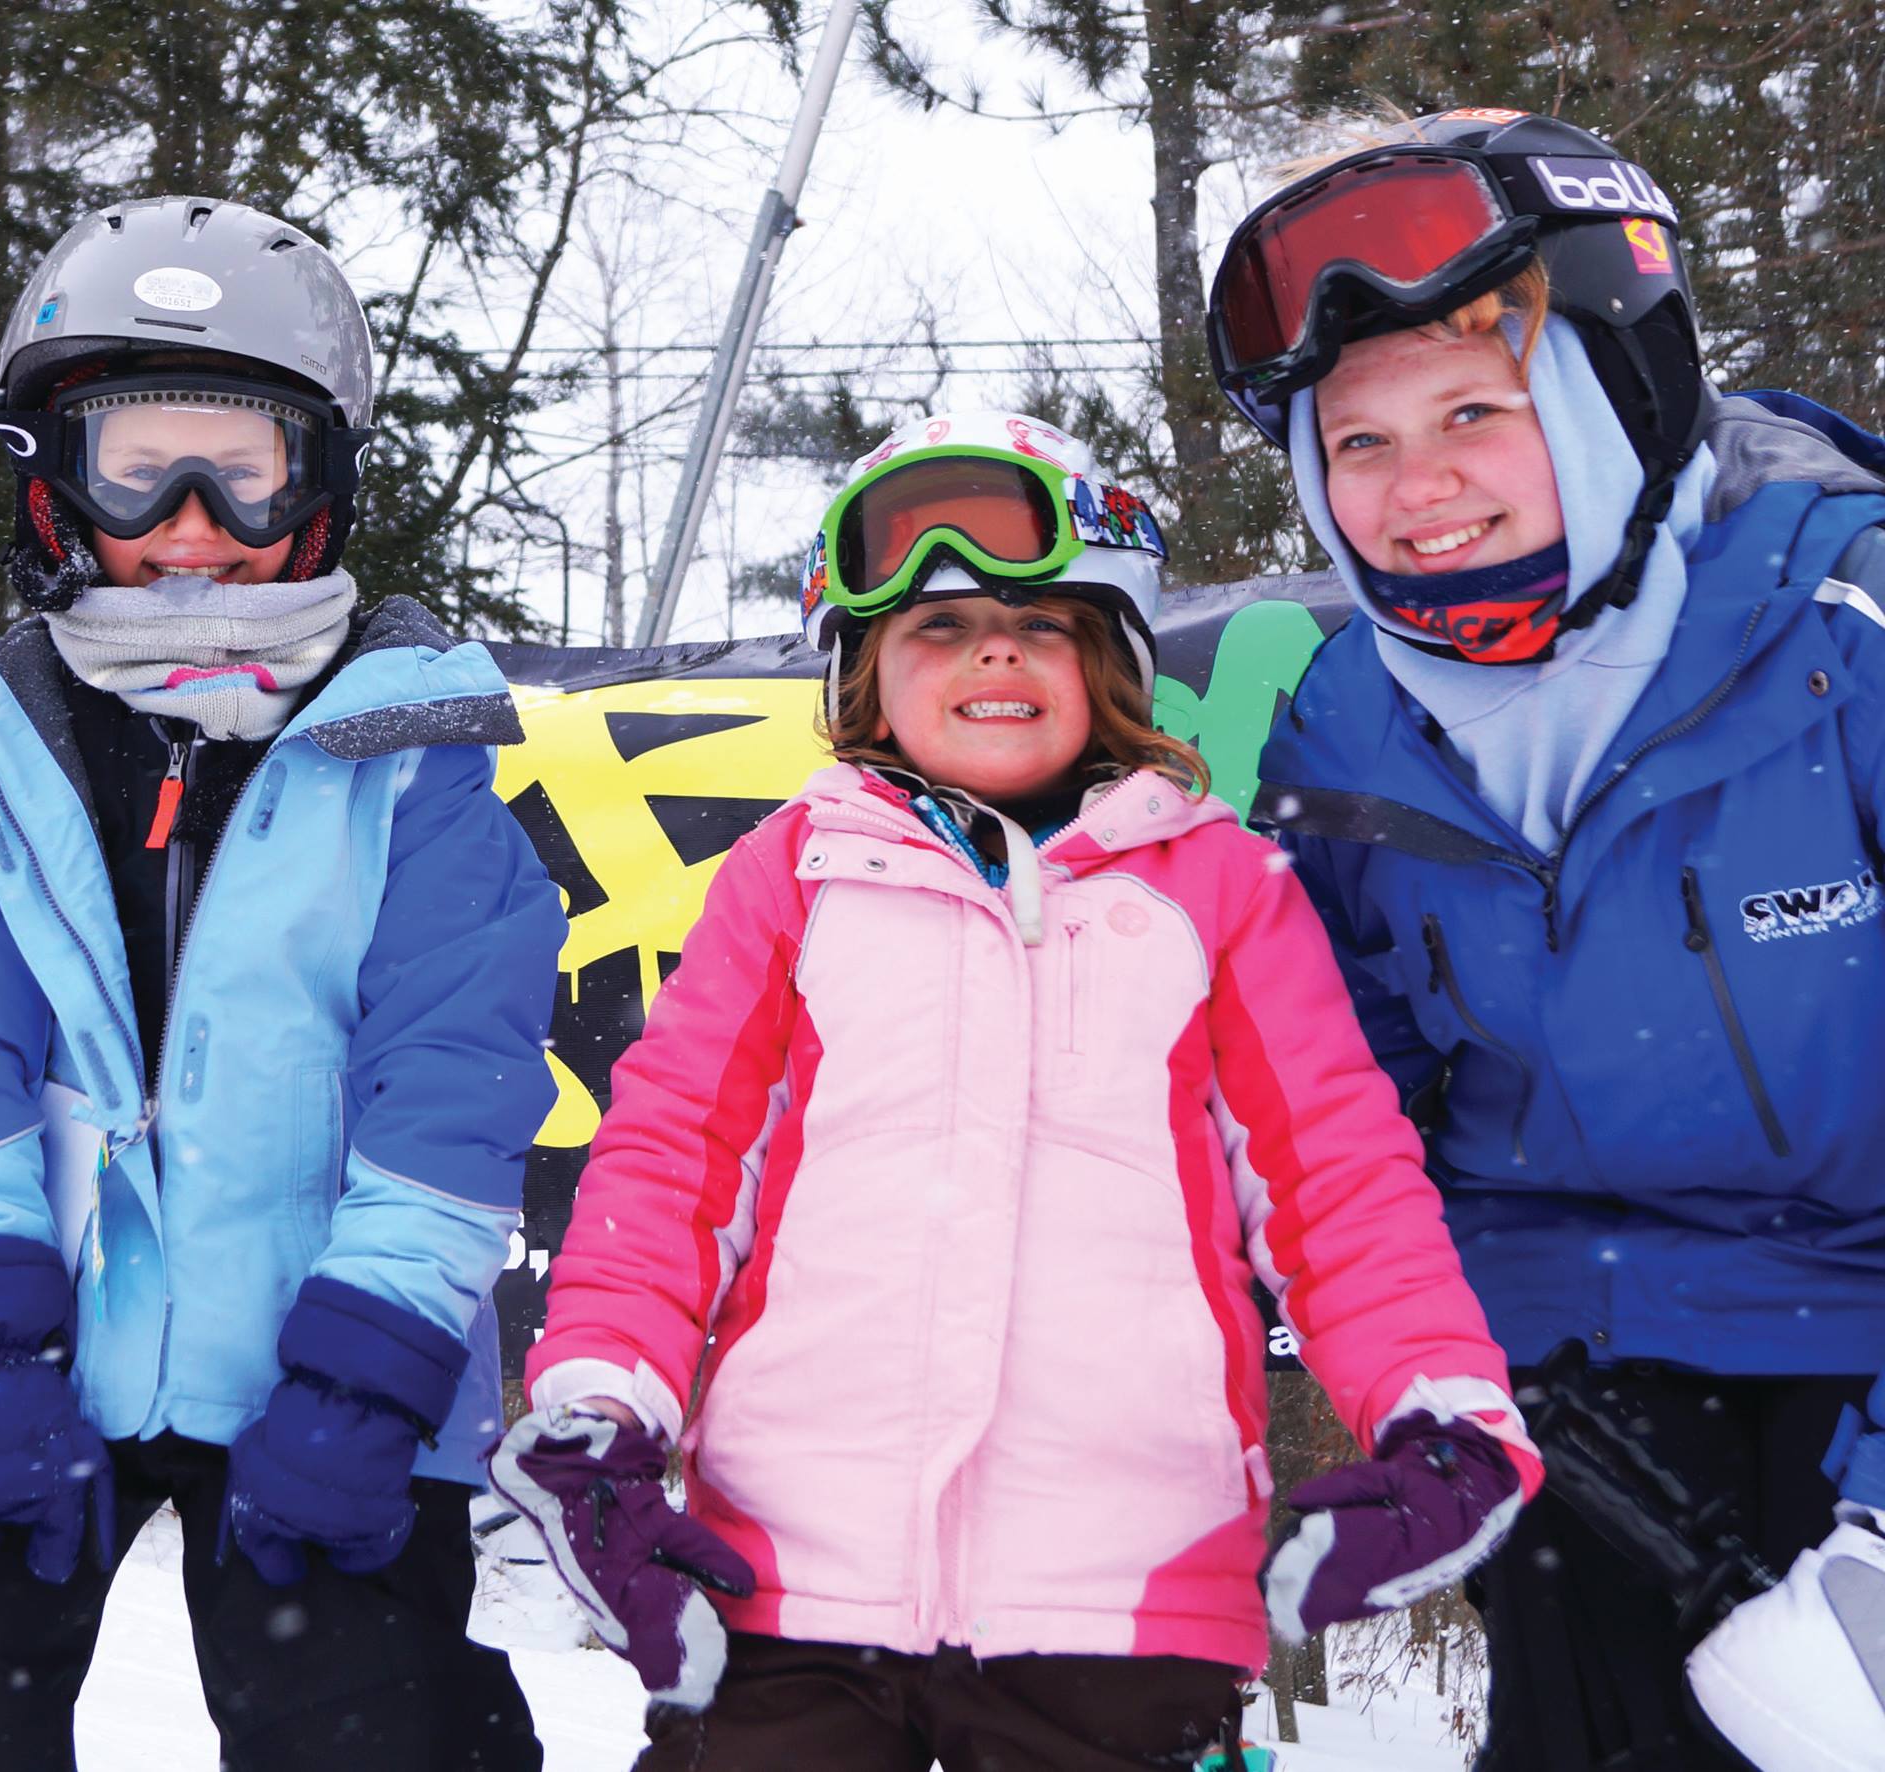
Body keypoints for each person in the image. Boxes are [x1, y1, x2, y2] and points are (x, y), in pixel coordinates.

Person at [486, 410, 1544, 1770]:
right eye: (936, 629)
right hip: (787, 1589)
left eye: (1040, 623)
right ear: (868, 675)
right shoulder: (793, 878)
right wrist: (600, 1409)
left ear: (1111, 663)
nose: (993, 649)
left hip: (1125, 1601)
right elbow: (671, 1164)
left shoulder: (1220, 893)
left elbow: (1339, 1184)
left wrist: (1437, 1407)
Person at [0, 196, 565, 1772]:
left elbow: (454, 1087)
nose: (186, 517)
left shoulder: (412, 768)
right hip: (27, 1368)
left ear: (320, 486)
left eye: (241, 469)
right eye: (134, 463)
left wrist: (369, 1384)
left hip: (323, 1377)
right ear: (54, 490)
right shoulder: (1, 751)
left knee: (384, 1730)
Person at [1216, 108, 1885, 1769]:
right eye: (1354, 445)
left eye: (1473, 412)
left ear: (1611, 396)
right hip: (1569, 1387)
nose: (1417, 485)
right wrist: (1420, 1380)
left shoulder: (1848, 637)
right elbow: (1341, 1105)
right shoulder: (1351, 727)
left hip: (1852, 1347)